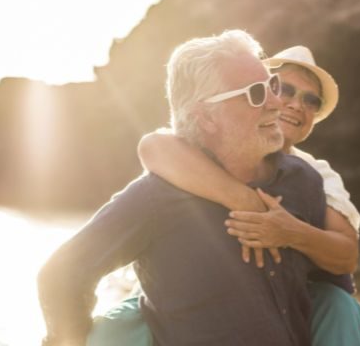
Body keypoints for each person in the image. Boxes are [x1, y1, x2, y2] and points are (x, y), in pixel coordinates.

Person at [39, 30, 332, 346]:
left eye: (272, 86)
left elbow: (327, 290)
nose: (277, 104)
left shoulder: (303, 181)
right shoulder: (157, 199)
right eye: (257, 93)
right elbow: (61, 276)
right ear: (205, 117)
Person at [89, 46, 360, 346]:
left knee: (338, 306)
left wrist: (288, 231)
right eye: (284, 89)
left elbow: (345, 255)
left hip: (290, 297)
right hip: (188, 299)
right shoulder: (214, 150)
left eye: (311, 100)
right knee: (115, 325)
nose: (294, 104)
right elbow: (154, 146)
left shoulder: (317, 176)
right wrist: (247, 202)